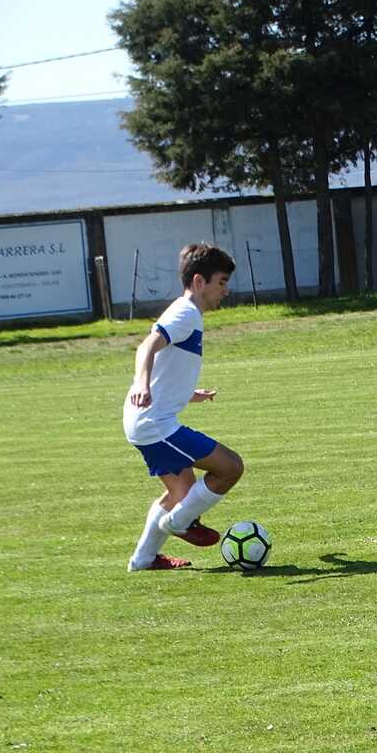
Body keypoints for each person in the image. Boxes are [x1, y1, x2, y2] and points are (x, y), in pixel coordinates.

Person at [121, 242, 245, 571]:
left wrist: (188, 394)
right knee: (230, 467)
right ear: (199, 281)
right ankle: (180, 523)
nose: (226, 290)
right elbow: (147, 346)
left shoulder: (187, 313)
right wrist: (142, 383)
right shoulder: (186, 313)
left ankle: (143, 560)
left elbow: (167, 367)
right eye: (222, 282)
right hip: (155, 424)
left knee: (181, 493)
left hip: (147, 420)